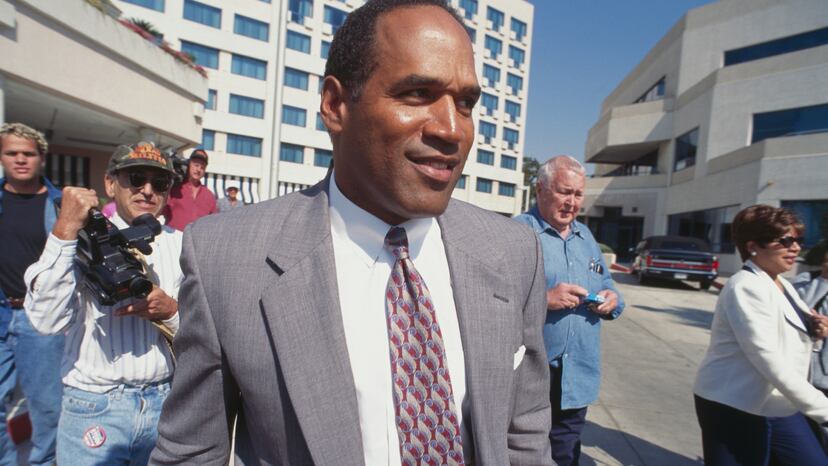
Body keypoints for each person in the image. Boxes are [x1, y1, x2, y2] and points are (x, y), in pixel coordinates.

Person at [151, 1, 552, 464]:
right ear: (335, 105)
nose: (452, 130)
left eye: (465, 103)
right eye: (418, 93)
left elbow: (525, 434)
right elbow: (191, 453)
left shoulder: (514, 252)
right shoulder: (226, 258)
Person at [23, 142, 182, 465]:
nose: (147, 190)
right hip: (94, 408)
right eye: (135, 178)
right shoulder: (78, 238)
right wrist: (66, 229)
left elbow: (204, 332)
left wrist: (171, 312)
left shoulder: (183, 244)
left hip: (162, 403)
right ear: (110, 184)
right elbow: (46, 321)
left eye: (159, 182)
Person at [693, 205, 828, 465]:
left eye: (798, 240)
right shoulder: (745, 286)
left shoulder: (781, 283)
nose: (795, 248)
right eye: (785, 241)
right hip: (734, 404)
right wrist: (823, 408)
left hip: (778, 403)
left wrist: (816, 331)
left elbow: (790, 335)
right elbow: (766, 357)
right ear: (753, 246)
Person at [514, 155, 624, 466]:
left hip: (577, 372)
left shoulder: (586, 237)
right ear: (540, 189)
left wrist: (612, 299)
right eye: (564, 192)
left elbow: (607, 282)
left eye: (578, 194)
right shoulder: (516, 233)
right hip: (531, 374)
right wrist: (544, 299)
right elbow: (491, 299)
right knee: (524, 453)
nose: (571, 203)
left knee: (565, 452)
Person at [0, 123, 63, 466]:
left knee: (47, 410)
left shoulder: (60, 204)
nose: (20, 159)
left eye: (28, 153)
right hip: (1, 311)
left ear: (42, 157)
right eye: (12, 153)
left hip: (40, 319)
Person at [163, 149, 216, 231]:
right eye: (196, 165)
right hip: (173, 237)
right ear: (189, 165)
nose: (198, 169)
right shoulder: (174, 189)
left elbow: (214, 223)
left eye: (202, 167)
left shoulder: (210, 196)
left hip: (198, 238)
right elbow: (159, 209)